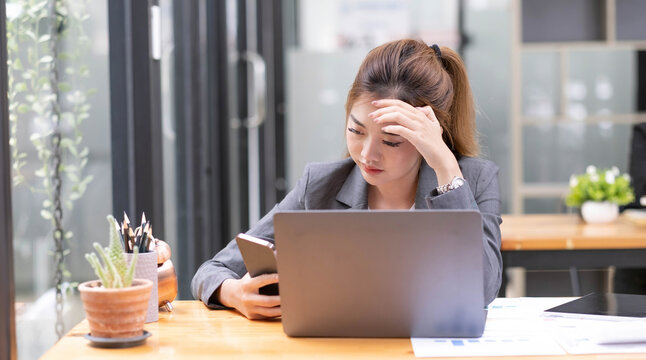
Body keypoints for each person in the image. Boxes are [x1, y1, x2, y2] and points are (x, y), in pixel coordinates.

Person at [192, 39, 502, 320]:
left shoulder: (473, 181)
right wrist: (233, 293)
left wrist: (446, 167)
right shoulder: (321, 186)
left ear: (430, 136)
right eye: (356, 131)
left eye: (391, 141)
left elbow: (483, 289)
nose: (368, 154)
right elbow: (212, 270)